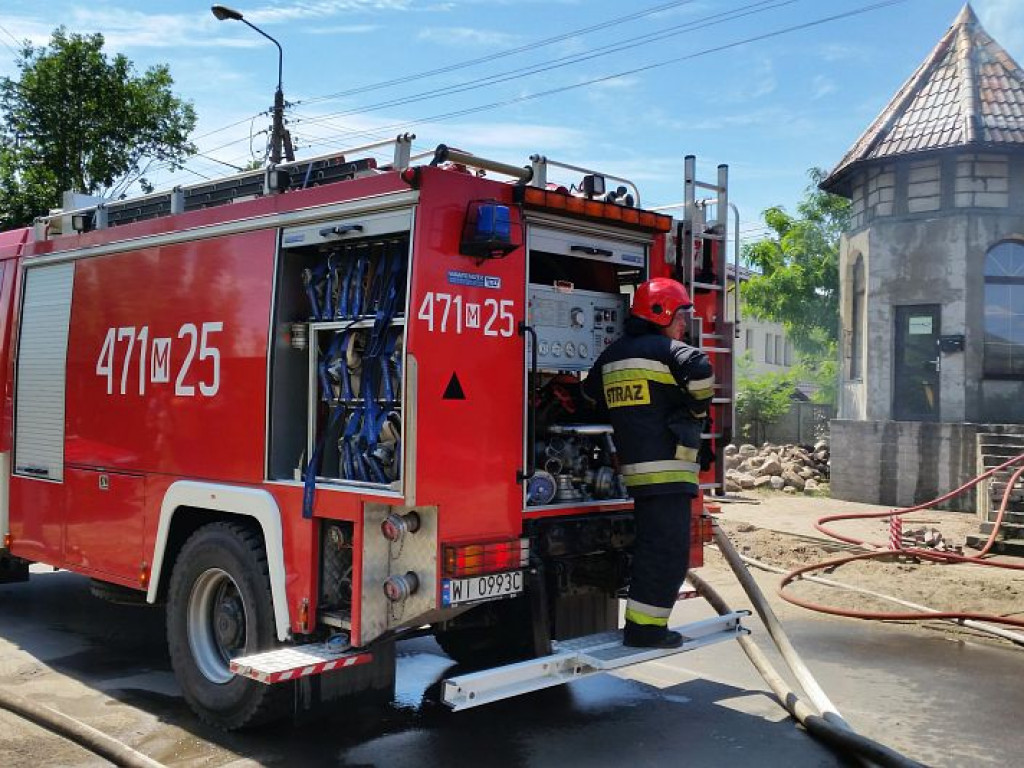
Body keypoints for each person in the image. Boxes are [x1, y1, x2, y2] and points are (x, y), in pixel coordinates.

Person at [583, 277, 714, 648]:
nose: (685, 324)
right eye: (681, 315)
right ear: (661, 313)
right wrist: (695, 406)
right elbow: (701, 370)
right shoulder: (671, 351)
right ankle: (645, 630)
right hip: (670, 472)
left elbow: (588, 393)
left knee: (652, 548)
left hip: (638, 475)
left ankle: (644, 626)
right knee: (667, 553)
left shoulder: (611, 357)